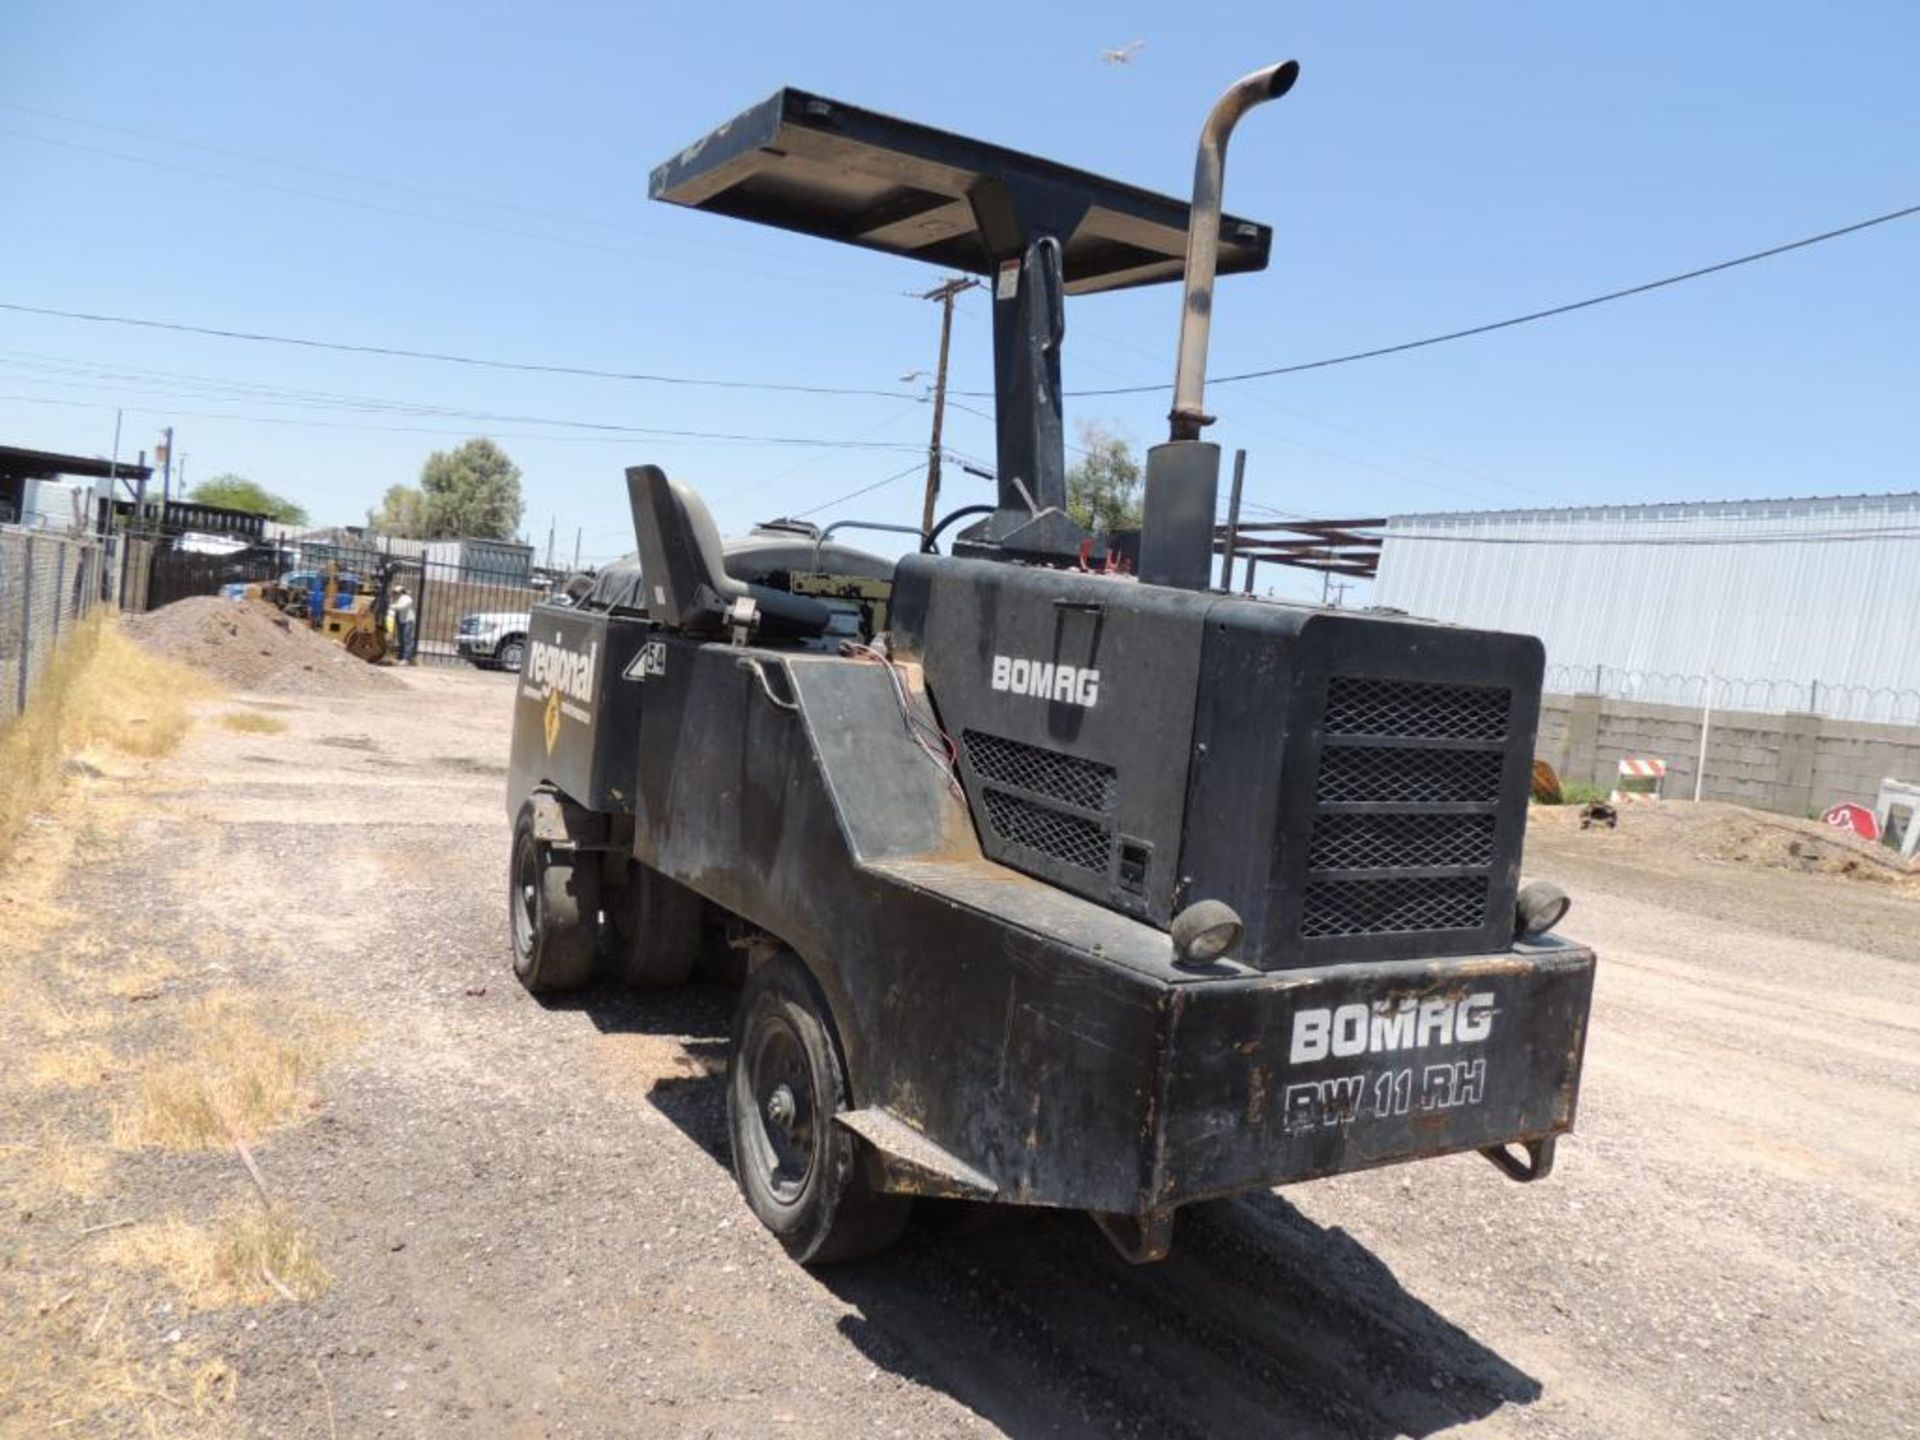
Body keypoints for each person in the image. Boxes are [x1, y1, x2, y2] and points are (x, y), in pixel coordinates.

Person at [390, 583, 418, 664]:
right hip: (402, 620)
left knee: (406, 639)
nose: (395, 594)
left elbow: (402, 607)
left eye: (396, 592)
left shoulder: (407, 598)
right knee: (401, 639)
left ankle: (406, 658)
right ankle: (401, 656)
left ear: (400, 592)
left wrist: (391, 606)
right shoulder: (398, 599)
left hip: (408, 620)